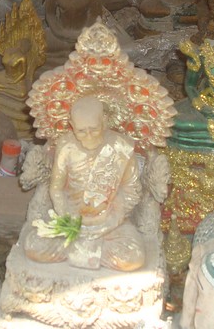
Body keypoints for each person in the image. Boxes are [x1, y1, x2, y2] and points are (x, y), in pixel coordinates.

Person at [23, 96, 145, 271]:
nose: (88, 136)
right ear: (72, 125)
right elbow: (56, 188)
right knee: (33, 245)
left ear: (104, 120)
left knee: (133, 258)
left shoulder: (121, 147)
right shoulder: (66, 146)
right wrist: (67, 217)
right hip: (72, 220)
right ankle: (90, 252)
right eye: (81, 131)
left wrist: (110, 220)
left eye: (94, 129)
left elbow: (131, 191)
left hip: (109, 223)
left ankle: (78, 251)